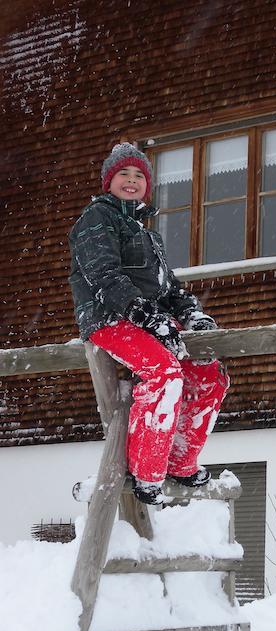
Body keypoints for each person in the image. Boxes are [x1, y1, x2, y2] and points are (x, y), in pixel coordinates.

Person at [68, 143, 228, 504]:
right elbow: (103, 276)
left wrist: (193, 315)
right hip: (109, 316)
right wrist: (144, 313)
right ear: (109, 181)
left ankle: (180, 460)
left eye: (139, 175)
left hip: (151, 320)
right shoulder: (97, 219)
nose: (131, 180)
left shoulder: (147, 233)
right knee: (164, 374)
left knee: (209, 372)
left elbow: (169, 288)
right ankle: (147, 472)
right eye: (123, 173)